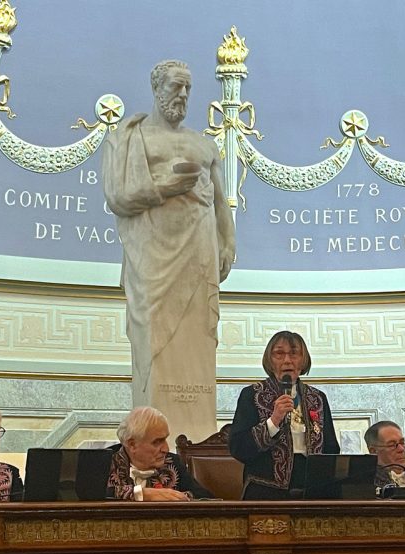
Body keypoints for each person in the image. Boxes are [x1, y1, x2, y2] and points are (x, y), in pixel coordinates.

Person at [102, 59, 236, 443]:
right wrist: (166, 188)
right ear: (157, 87)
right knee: (153, 338)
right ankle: (153, 437)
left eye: (188, 88)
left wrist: (228, 242)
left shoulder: (204, 145)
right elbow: (118, 196)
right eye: (176, 86)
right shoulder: (128, 138)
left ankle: (198, 435)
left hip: (199, 252)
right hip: (152, 255)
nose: (182, 94)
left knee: (199, 339)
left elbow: (221, 201)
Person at [229, 330, 340, 500]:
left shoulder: (317, 398)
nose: (287, 360)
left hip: (312, 488)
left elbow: (331, 449)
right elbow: (239, 448)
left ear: (303, 360)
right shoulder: (252, 394)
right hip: (266, 490)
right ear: (270, 360)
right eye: (279, 354)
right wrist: (273, 421)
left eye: (294, 353)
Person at [107, 406, 212, 501]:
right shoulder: (105, 463)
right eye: (157, 442)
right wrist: (140, 494)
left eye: (165, 439)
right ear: (132, 445)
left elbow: (206, 499)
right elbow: (99, 494)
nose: (166, 449)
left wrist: (180, 496)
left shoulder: (172, 462)